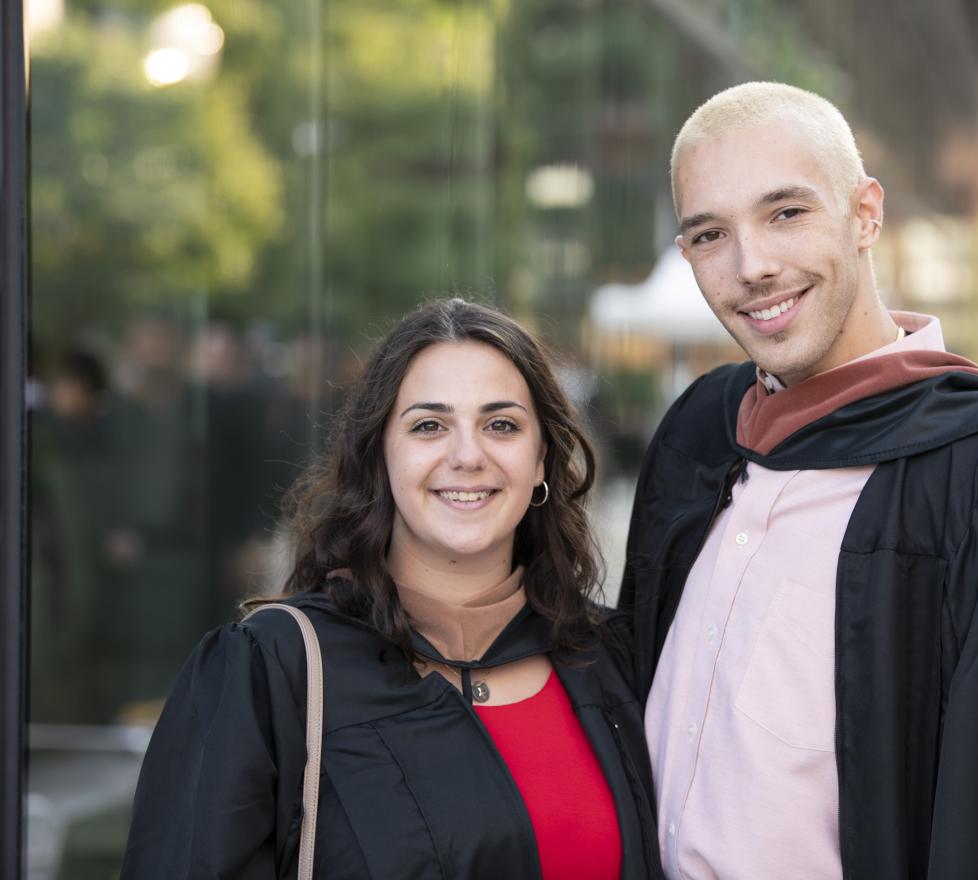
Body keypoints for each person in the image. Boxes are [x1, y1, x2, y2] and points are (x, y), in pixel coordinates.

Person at [619, 82, 978, 879]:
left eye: (787, 212)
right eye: (711, 233)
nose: (754, 266)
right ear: (686, 255)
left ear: (865, 214)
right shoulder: (700, 435)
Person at [123, 299, 663, 878]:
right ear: (380, 455)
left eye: (501, 425)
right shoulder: (274, 671)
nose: (467, 455)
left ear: (540, 463)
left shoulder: (610, 657)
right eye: (429, 425)